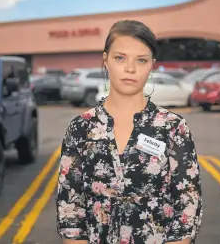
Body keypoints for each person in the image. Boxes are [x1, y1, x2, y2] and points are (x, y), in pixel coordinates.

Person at [55, 20, 203, 244]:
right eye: (120, 58)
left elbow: (188, 208)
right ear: (106, 61)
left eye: (141, 60)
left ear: (151, 65)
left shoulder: (173, 127)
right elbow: (70, 210)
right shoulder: (80, 128)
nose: (130, 68)